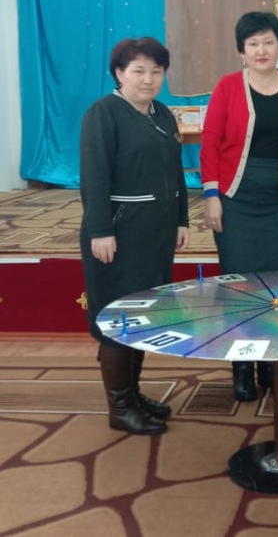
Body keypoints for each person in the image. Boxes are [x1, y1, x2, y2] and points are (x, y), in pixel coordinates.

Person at [200, 11, 278, 402]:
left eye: (268, 41)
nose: (261, 50)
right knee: (238, 287)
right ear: (242, 51)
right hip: (236, 202)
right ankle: (241, 368)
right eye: (253, 43)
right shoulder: (227, 87)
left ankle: (271, 367)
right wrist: (212, 195)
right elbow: (210, 142)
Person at [80, 37, 190, 435]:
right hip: (117, 234)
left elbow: (176, 173)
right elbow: (94, 177)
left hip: (155, 234)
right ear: (119, 73)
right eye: (138, 71)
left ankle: (133, 393)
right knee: (117, 317)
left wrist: (181, 220)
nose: (148, 79)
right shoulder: (103, 114)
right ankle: (120, 407)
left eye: (156, 71)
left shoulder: (162, 114)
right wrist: (101, 230)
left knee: (142, 314)